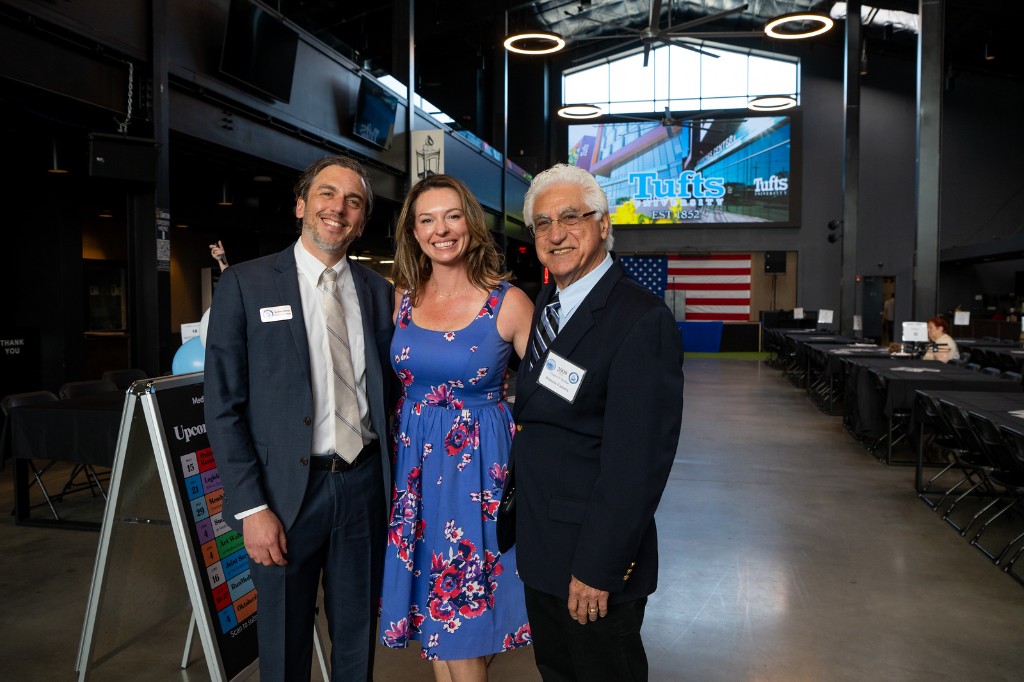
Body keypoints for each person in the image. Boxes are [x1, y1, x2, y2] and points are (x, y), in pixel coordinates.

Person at [204, 155, 395, 681]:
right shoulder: (245, 284)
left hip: (363, 486)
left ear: (362, 220)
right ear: (301, 205)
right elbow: (223, 406)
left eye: (353, 201)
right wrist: (251, 508)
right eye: (327, 194)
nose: (338, 208)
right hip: (284, 496)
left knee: (356, 635)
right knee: (284, 644)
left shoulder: (379, 292)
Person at [500, 163, 684, 682]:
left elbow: (637, 465)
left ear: (603, 224)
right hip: (543, 546)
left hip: (591, 560)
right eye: (542, 223)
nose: (555, 233)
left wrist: (598, 568)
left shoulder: (640, 319)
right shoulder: (549, 304)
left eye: (571, 217)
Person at [378, 174, 535, 681]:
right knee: (437, 620)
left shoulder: (508, 302)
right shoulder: (402, 298)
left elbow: (551, 395)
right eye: (427, 220)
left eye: (452, 216)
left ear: (472, 223)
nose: (441, 230)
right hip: (415, 472)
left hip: (478, 475)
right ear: (414, 232)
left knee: (463, 619)